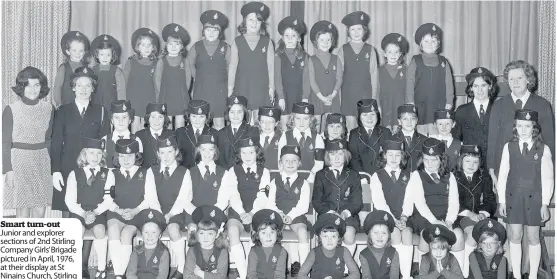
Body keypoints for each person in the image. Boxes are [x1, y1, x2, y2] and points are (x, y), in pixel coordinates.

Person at [497, 109, 554, 279]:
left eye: (527, 126)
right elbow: (502, 175)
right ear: (515, 127)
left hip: (535, 199)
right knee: (514, 235)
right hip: (514, 197)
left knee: (533, 237)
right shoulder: (509, 147)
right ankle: (515, 274)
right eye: (519, 126)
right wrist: (502, 201)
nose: (523, 129)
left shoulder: (543, 149)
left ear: (534, 128)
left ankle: (533, 275)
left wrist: (544, 203)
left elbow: (548, 178)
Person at [51, 66, 110, 217]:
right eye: (79, 85)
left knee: (91, 211)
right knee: (67, 210)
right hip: (67, 166)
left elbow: (105, 145)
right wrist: (55, 171)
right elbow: (56, 143)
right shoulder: (62, 111)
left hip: (92, 168)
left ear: (93, 89)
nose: (84, 89)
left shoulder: (101, 111)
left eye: (88, 85)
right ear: (73, 88)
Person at [487, 60, 554, 185]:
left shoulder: (542, 104)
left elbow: (550, 140)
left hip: (535, 169)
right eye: (511, 79)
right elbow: (492, 139)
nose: (515, 82)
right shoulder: (499, 105)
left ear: (528, 79)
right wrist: (492, 170)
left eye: (519, 77)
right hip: (505, 169)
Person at [405, 138, 465, 271]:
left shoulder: (449, 176)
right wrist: (434, 221)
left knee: (458, 234)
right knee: (428, 234)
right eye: (426, 159)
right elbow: (420, 203)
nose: (429, 163)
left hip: (445, 217)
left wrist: (449, 220)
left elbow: (454, 202)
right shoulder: (417, 175)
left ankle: (458, 273)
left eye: (434, 160)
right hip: (425, 217)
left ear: (441, 159)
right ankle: (424, 272)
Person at [2, 66, 55, 218]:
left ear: (42, 87)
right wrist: (8, 170)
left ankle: (36, 240)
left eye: (36, 85)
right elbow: (5, 142)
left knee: (40, 207)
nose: (32, 89)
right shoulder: (11, 109)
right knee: (22, 207)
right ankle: (23, 241)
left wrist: (51, 167)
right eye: (28, 85)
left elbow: (49, 139)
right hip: (20, 160)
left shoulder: (49, 108)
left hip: (41, 160)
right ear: (21, 87)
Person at [106, 139, 158, 279]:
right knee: (113, 228)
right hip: (117, 213)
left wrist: (135, 210)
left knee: (127, 234)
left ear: (137, 156)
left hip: (138, 214)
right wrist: (117, 210)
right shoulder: (112, 174)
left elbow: (150, 199)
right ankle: (118, 274)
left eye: (130, 156)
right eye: (122, 156)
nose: (126, 159)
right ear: (117, 157)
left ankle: (121, 272)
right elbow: (107, 199)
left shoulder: (146, 173)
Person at [224, 136, 270, 279]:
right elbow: (233, 194)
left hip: (256, 212)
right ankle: (244, 275)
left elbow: (263, 196)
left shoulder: (265, 171)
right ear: (239, 154)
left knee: (255, 235)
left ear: (257, 153)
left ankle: (251, 272)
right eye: (244, 153)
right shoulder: (233, 170)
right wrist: (243, 212)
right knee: (232, 230)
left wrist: (252, 213)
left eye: (251, 152)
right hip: (238, 212)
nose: (247, 156)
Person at [65, 137, 112, 278]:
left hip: (98, 213)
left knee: (100, 230)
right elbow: (70, 201)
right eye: (91, 153)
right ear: (84, 155)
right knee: (77, 230)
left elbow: (109, 200)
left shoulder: (108, 173)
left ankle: (102, 267)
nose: (95, 157)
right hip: (79, 213)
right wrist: (83, 213)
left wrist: (95, 212)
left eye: (99, 153)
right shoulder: (74, 174)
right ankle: (75, 267)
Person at [147, 135, 190, 279]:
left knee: (173, 229)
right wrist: (159, 214)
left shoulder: (185, 172)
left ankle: (181, 268)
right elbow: (151, 197)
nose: (166, 156)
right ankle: (150, 267)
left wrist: (170, 215)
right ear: (158, 154)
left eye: (170, 151)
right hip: (156, 211)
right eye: (162, 152)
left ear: (176, 152)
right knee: (150, 229)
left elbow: (183, 199)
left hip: (176, 212)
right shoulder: (151, 171)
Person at [370, 138, 414, 279]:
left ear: (402, 156)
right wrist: (394, 220)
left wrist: (404, 217)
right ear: (384, 156)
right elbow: (380, 203)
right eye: (390, 154)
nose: (394, 158)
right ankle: (395, 274)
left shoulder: (410, 176)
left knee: (406, 234)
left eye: (398, 154)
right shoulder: (377, 176)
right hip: (385, 217)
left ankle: (406, 276)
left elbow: (409, 200)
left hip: (404, 217)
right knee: (394, 233)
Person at [266, 145, 312, 276]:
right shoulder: (275, 181)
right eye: (287, 160)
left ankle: (304, 268)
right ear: (281, 163)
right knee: (269, 231)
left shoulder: (303, 183)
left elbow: (303, 206)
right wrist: (279, 214)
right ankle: (274, 265)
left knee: (302, 231)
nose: (290, 163)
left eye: (294, 160)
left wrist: (290, 216)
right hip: (278, 215)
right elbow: (270, 203)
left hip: (296, 216)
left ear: (299, 163)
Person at [313, 139, 363, 257]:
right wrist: (330, 213)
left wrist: (345, 213)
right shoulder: (320, 175)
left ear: (346, 156)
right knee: (328, 235)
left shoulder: (353, 175)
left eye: (340, 154)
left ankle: (345, 268)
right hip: (327, 215)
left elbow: (357, 202)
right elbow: (316, 201)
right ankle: (329, 265)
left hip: (348, 216)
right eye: (332, 154)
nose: (336, 158)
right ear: (327, 156)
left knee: (349, 234)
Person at [454, 145, 497, 277]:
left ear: (480, 163)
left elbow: (490, 200)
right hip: (458, 215)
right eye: (467, 161)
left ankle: (466, 271)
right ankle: (461, 271)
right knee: (469, 234)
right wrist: (470, 214)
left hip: (479, 216)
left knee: (476, 234)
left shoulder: (484, 178)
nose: (471, 165)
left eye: (475, 162)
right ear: (461, 161)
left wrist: (483, 213)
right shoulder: (452, 177)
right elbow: (451, 203)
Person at [406, 23, 455, 136]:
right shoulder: (415, 60)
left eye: (433, 41)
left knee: (436, 133)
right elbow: (409, 82)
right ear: (420, 43)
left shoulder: (444, 61)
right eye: (426, 41)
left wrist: (449, 101)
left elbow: (449, 83)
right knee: (420, 132)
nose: (430, 44)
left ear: (438, 44)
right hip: (419, 104)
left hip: (439, 104)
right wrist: (410, 101)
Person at [228, 1, 275, 120]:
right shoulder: (237, 41)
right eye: (250, 19)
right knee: (244, 119)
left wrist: (272, 87)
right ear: (244, 21)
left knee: (260, 120)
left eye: (258, 20)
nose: (254, 23)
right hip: (243, 86)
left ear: (262, 23)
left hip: (261, 87)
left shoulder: (267, 41)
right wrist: (230, 88)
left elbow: (271, 66)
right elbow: (233, 66)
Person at [187, 10, 230, 130]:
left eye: (215, 30)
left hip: (220, 91)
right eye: (208, 29)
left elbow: (231, 67)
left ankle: (220, 147)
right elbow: (189, 65)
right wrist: (198, 77)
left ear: (220, 32)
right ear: (203, 30)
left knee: (219, 122)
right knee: (201, 122)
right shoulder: (196, 46)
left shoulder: (225, 47)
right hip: (202, 90)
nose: (211, 32)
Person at [339, 11, 379, 131]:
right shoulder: (343, 49)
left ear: (364, 30)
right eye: (353, 29)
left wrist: (373, 98)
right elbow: (338, 76)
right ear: (348, 31)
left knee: (365, 128)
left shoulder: (370, 50)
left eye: (359, 29)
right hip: (348, 96)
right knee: (351, 128)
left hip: (365, 95)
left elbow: (374, 75)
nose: (356, 32)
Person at [452, 67, 498, 170]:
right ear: (471, 88)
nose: (480, 90)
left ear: (490, 86)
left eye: (483, 85)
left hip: (493, 165)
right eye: (475, 86)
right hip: (469, 167)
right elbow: (456, 141)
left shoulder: (498, 110)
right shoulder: (462, 111)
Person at [297, 213, 360, 279]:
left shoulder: (344, 251)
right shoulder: (314, 253)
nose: (329, 240)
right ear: (320, 237)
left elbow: (356, 274)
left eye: (333, 236)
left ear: (338, 238)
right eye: (325, 236)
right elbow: (301, 275)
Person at [274, 15, 310, 129]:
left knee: (297, 124)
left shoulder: (304, 57)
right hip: (284, 95)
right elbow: (277, 78)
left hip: (298, 95)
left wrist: (305, 97)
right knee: (284, 123)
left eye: (293, 36)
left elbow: (306, 79)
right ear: (282, 38)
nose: (290, 39)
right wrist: (280, 97)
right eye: (287, 36)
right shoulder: (278, 56)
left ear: (299, 38)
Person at [155, 23, 191, 129]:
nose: (174, 47)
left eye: (177, 44)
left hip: (181, 96)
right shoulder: (161, 61)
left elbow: (188, 80)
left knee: (180, 121)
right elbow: (157, 80)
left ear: (181, 46)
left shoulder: (185, 61)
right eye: (171, 44)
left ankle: (179, 143)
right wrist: (161, 95)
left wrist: (184, 92)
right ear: (166, 45)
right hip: (166, 96)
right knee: (168, 121)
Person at [277, 102, 324, 183]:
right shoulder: (285, 136)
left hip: (311, 180)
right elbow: (280, 162)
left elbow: (319, 164)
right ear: (292, 119)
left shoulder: (317, 138)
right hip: (289, 180)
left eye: (306, 119)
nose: (301, 123)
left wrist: (309, 179)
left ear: (311, 120)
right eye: (298, 118)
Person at [124, 28, 159, 132]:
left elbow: (157, 83)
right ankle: (135, 143)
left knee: (145, 122)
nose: (146, 48)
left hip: (148, 96)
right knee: (135, 121)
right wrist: (124, 99)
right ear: (137, 47)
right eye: (143, 45)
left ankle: (143, 143)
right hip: (133, 97)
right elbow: (124, 80)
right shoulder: (131, 61)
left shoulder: (156, 63)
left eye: (149, 45)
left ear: (153, 47)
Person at [307, 20, 343, 119]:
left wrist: (333, 95)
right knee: (316, 124)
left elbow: (339, 78)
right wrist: (322, 97)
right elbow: (312, 81)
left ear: (332, 42)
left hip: (332, 97)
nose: (325, 43)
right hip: (317, 96)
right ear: (316, 41)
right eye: (322, 40)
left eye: (328, 40)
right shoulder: (311, 59)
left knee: (331, 124)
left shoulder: (336, 59)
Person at [347, 99, 390, 180]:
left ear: (377, 115)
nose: (369, 118)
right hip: (362, 177)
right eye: (365, 115)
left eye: (372, 114)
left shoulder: (386, 132)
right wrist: (362, 176)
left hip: (382, 177)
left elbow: (388, 158)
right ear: (359, 117)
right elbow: (354, 159)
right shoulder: (354, 134)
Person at [184, 205, 229, 279]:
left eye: (210, 233)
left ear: (217, 234)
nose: (205, 237)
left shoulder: (222, 252)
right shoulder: (192, 251)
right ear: (196, 233)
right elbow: (187, 276)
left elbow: (221, 277)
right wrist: (212, 276)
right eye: (201, 233)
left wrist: (201, 274)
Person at [125, 210, 170, 279]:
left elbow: (162, 276)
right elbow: (130, 273)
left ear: (160, 235)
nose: (149, 236)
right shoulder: (136, 251)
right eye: (146, 232)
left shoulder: (164, 252)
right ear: (142, 234)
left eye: (154, 232)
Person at [216, 96, 259, 169]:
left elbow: (256, 156)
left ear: (244, 112)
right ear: (227, 113)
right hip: (225, 175)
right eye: (232, 112)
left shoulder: (252, 131)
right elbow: (219, 159)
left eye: (239, 112)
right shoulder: (221, 133)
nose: (235, 115)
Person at [378, 33, 409, 133]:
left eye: (396, 52)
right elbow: (376, 90)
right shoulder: (379, 70)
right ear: (385, 54)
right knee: (385, 132)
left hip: (400, 105)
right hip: (384, 105)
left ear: (400, 54)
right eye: (390, 52)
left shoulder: (406, 70)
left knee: (399, 132)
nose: (393, 55)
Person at [246, 209, 287, 279]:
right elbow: (251, 274)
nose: (268, 236)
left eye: (272, 232)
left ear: (277, 234)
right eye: (263, 233)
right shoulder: (253, 251)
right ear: (257, 235)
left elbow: (280, 275)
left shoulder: (282, 252)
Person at [52, 31, 90, 107]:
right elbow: (57, 88)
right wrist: (59, 104)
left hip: (82, 105)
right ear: (68, 51)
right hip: (66, 104)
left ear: (85, 52)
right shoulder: (63, 68)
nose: (77, 53)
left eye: (81, 51)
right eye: (74, 50)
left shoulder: (87, 69)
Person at [175, 100, 217, 169]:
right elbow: (176, 157)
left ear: (207, 117)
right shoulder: (180, 133)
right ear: (188, 116)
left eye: (201, 117)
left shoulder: (214, 133)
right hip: (186, 173)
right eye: (194, 116)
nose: (197, 120)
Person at [360, 210, 400, 279]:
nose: (380, 236)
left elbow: (394, 276)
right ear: (369, 235)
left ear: (388, 236)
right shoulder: (364, 255)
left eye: (384, 233)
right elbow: (366, 276)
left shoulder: (393, 253)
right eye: (376, 233)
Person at [102, 100, 143, 168]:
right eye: (116, 117)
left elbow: (138, 166)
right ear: (112, 120)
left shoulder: (137, 140)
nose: (121, 121)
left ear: (130, 119)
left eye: (124, 117)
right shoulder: (104, 140)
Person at [90, 34, 125, 110]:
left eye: (108, 55)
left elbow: (121, 90)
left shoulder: (117, 71)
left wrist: (121, 104)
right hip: (95, 104)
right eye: (102, 54)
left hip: (112, 105)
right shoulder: (93, 70)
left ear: (113, 56)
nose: (105, 58)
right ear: (97, 55)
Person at [135, 103, 174, 168]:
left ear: (165, 119)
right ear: (148, 118)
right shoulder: (139, 135)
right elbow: (136, 161)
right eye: (153, 117)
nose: (156, 121)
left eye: (160, 117)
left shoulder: (172, 135)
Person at [392, 104, 427, 172]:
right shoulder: (392, 140)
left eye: (412, 118)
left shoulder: (424, 140)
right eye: (405, 119)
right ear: (399, 121)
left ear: (417, 120)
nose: (409, 122)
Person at [258, 106, 282, 171]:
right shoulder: (254, 138)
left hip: (275, 175)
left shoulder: (282, 139)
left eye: (271, 122)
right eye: (263, 122)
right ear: (259, 123)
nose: (267, 125)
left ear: (276, 123)